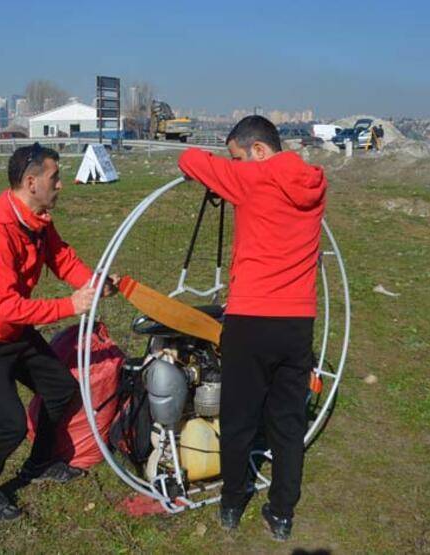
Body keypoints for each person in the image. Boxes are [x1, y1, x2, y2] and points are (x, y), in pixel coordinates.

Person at [0, 143, 118, 522]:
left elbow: (61, 258)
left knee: (60, 390)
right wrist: (69, 306)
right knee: (8, 423)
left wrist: (94, 282)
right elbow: (4, 307)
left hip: (14, 330)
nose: (61, 184)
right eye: (54, 178)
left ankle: (40, 464)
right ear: (31, 181)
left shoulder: (37, 218)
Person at [178, 116, 326, 540]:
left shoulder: (254, 178)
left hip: (250, 318)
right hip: (297, 322)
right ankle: (281, 513)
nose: (236, 165)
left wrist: (229, 172)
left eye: (238, 157)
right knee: (287, 421)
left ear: (259, 151)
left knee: (239, 417)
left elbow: (189, 159)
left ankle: (231, 501)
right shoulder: (315, 184)